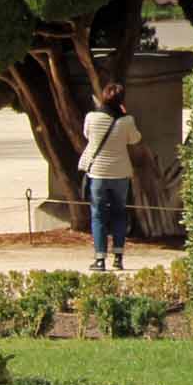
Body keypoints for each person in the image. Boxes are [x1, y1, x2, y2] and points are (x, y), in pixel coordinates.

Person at [78, 83, 143, 271]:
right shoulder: (127, 121)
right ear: (122, 100)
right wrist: (125, 113)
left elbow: (87, 135)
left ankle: (99, 259)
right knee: (119, 213)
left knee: (98, 215)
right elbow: (135, 139)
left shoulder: (92, 117)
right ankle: (118, 258)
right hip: (120, 173)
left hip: (97, 173)